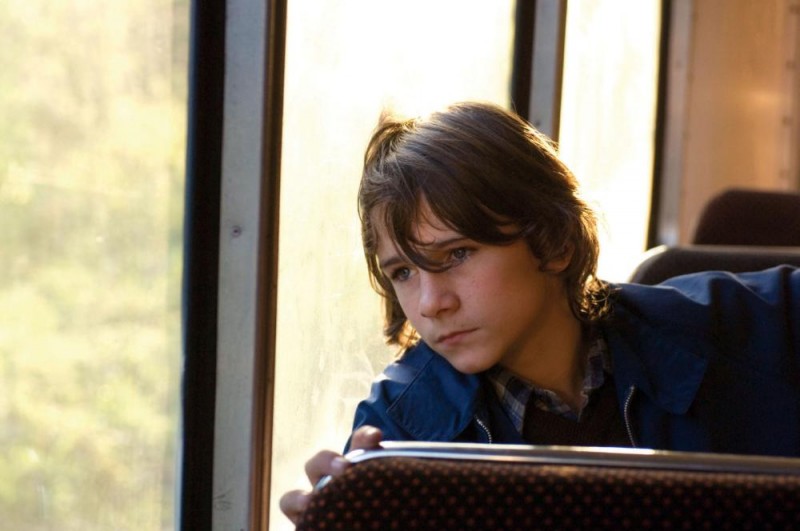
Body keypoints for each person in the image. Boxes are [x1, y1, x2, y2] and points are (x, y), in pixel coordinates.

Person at [280, 101, 800, 524]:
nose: (430, 303)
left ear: (553, 242)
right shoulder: (399, 431)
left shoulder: (755, 326)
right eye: (403, 273)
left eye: (457, 255)